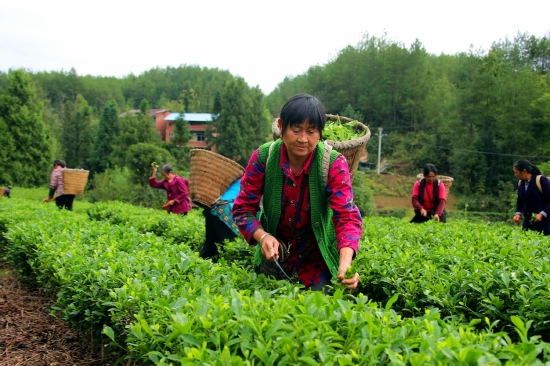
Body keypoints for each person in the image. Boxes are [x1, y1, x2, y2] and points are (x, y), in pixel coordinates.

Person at [232, 94, 362, 291]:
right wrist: (264, 237)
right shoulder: (263, 157)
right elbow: (243, 210)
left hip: (316, 263)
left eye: (311, 132)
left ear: (320, 133)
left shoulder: (334, 164)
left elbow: (346, 217)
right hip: (274, 260)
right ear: (281, 126)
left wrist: (345, 263)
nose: (303, 139)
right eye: (296, 130)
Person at [199, 178, 241, 259]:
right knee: (227, 241)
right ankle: (225, 264)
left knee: (211, 239)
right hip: (224, 209)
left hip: (212, 208)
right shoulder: (247, 181)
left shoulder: (230, 179)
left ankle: (202, 261)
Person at [513, 160, 550, 235]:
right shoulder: (521, 183)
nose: (515, 175)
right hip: (528, 223)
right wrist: (518, 213)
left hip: (545, 223)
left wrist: (542, 214)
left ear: (524, 171)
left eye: (516, 172)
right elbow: (520, 200)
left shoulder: (540, 180)